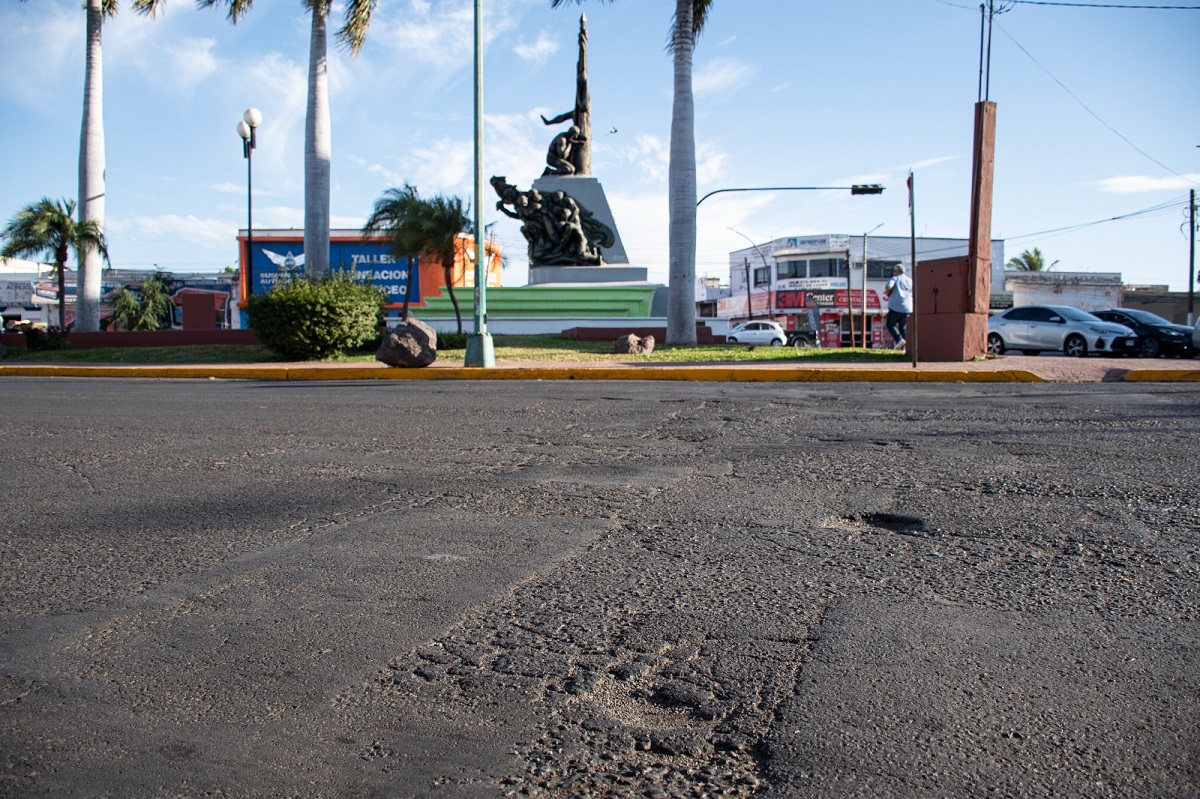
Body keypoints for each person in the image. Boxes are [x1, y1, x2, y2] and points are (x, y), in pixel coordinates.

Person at [883, 263, 913, 350]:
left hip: (896, 306)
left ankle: (899, 339)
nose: (893, 273)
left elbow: (888, 286)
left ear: (897, 271)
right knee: (903, 327)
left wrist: (888, 292)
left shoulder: (895, 278)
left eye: (894, 271)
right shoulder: (910, 280)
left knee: (890, 324)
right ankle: (905, 347)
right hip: (908, 306)